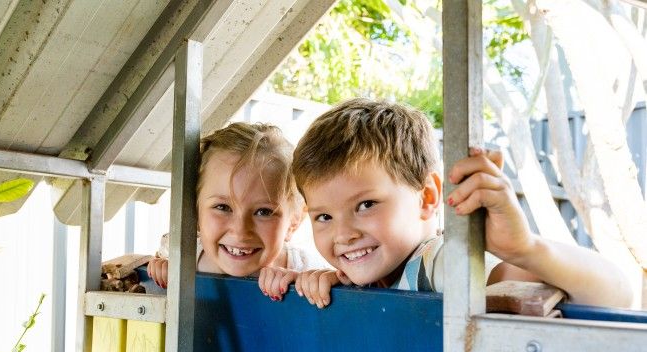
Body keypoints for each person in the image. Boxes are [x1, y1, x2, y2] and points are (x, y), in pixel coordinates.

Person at [258, 98, 633, 309]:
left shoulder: (436, 263)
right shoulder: (367, 273)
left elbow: (614, 293)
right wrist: (317, 286)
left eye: (366, 205)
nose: (343, 234)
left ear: (427, 198)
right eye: (324, 216)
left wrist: (524, 248)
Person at [147, 122, 325, 291]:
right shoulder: (182, 259)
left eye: (263, 212)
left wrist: (311, 287)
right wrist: (158, 270)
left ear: (294, 221)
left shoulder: (306, 269)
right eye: (223, 207)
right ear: (195, 210)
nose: (240, 231)